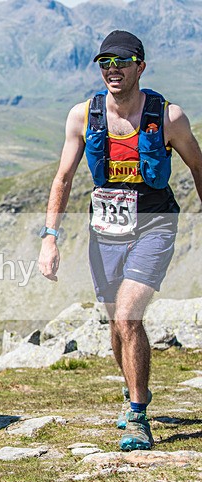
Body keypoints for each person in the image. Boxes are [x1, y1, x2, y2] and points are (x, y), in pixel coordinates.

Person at [38, 30, 202, 450]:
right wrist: (50, 237)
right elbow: (63, 178)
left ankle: (137, 413)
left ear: (140, 67)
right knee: (116, 322)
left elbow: (199, 168)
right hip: (105, 232)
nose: (113, 70)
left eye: (122, 62)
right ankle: (133, 393)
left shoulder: (169, 117)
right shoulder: (83, 115)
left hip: (155, 223)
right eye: (105, 63)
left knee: (129, 316)